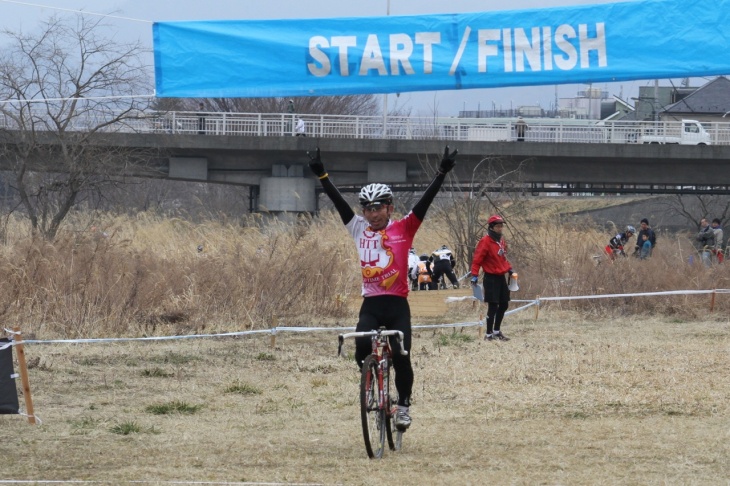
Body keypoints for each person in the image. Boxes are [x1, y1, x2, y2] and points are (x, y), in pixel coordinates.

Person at [307, 145, 458, 431]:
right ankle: (372, 379)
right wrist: (322, 176)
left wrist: (441, 173)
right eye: (367, 208)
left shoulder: (405, 227)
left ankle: (403, 406)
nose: (372, 213)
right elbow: (338, 202)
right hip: (372, 305)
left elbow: (426, 201)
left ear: (389, 207)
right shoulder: (358, 228)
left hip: (397, 305)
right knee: (361, 345)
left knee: (402, 356)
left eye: (378, 208)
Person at [470, 215, 516, 341]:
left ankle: (496, 331)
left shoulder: (501, 241)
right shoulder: (485, 241)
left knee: (504, 304)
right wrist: (474, 275)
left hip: (501, 276)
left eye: (501, 226)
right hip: (490, 277)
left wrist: (510, 269)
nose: (500, 228)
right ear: (491, 227)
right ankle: (488, 334)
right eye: (498, 226)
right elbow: (477, 260)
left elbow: (503, 258)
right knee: (493, 305)